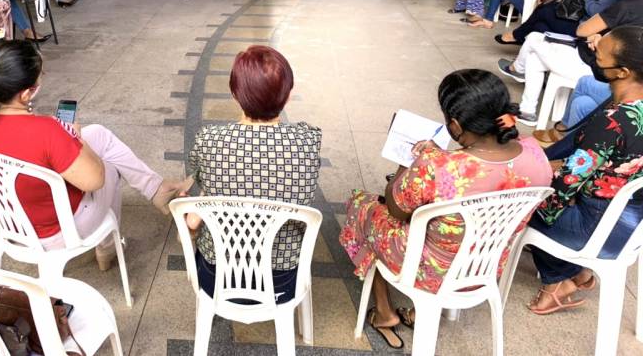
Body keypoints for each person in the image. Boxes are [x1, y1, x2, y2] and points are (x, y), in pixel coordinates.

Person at [339, 69, 552, 349]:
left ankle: (384, 312)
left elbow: (396, 209)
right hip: (485, 265)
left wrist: (410, 163)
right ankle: (411, 313)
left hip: (431, 269)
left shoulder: (438, 167)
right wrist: (439, 154)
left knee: (365, 205)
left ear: (454, 125)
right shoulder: (535, 153)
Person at [0, 40, 193, 270]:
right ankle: (108, 246)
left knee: (98, 134)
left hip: (10, 223)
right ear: (26, 94)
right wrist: (74, 137)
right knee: (110, 168)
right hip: (56, 231)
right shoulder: (46, 131)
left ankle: (157, 189)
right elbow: (94, 180)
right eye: (40, 77)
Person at [186, 45, 322, 303]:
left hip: (216, 279)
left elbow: (202, 180)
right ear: (288, 95)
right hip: (282, 283)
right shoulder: (308, 141)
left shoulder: (210, 140)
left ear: (234, 94)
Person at [526, 26, 643, 315]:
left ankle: (558, 280)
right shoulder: (627, 110)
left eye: (599, 56)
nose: (593, 56)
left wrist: (532, 184)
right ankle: (580, 273)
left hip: (600, 231)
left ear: (622, 72)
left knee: (522, 201)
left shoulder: (613, 120)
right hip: (633, 225)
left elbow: (564, 188)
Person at [499, 0, 643, 124]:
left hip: (599, 67)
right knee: (535, 51)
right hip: (625, 72)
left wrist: (599, 37)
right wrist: (603, 36)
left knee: (533, 38)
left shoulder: (626, 6)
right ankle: (527, 110)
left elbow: (582, 31)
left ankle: (518, 69)